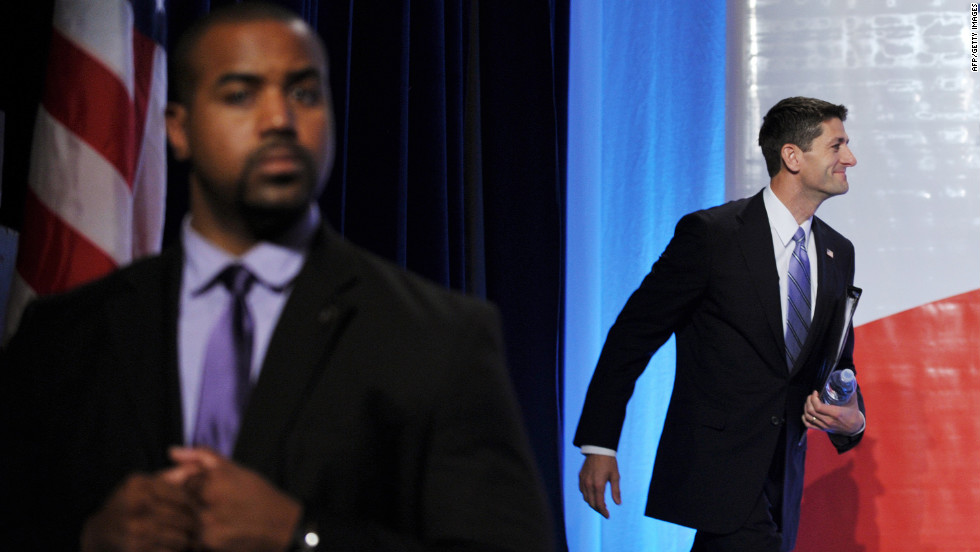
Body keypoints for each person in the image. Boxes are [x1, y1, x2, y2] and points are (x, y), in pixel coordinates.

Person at [0, 3, 553, 551]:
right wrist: (89, 539)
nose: (279, 119)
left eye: (304, 94)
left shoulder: (441, 339)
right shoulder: (64, 335)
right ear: (179, 128)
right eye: (240, 94)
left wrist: (301, 534)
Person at [574, 96, 867, 551]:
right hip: (716, 468)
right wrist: (599, 441)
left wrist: (852, 419)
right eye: (836, 146)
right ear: (792, 156)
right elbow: (634, 334)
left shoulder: (837, 251)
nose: (850, 158)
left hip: (781, 480)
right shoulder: (711, 235)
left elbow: (836, 362)